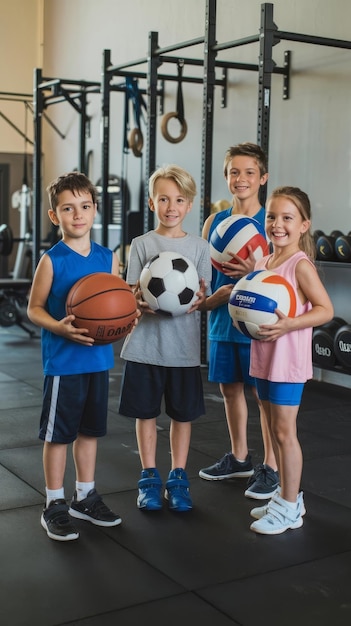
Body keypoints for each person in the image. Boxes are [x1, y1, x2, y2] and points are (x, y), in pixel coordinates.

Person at [27, 171, 123, 541]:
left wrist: (123, 320)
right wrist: (60, 328)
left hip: (98, 362)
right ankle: (54, 503)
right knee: (58, 436)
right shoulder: (52, 260)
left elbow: (115, 305)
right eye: (68, 208)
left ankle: (85, 496)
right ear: (55, 216)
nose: (78, 214)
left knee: (89, 432)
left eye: (85, 207)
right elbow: (35, 309)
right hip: (64, 364)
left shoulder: (108, 258)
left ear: (96, 209)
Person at [118, 164, 212, 512]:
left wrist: (201, 299)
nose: (171, 206)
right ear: (151, 202)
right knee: (146, 416)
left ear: (190, 205)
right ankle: (149, 478)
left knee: (181, 417)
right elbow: (130, 294)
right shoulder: (142, 244)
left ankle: (178, 478)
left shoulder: (200, 247)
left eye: (179, 199)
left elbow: (202, 296)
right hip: (145, 348)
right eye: (163, 199)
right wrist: (138, 302)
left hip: (183, 352)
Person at [249, 186, 333, 534]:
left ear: (303, 225)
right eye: (272, 217)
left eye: (287, 218)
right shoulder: (262, 262)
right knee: (271, 430)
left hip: (287, 362)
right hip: (264, 356)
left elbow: (325, 310)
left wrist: (290, 324)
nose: (277, 224)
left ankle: (290, 504)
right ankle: (285, 497)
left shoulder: (300, 265)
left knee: (285, 432)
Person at [199, 142, 279, 500]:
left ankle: (272, 468)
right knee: (230, 390)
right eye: (234, 172)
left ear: (263, 178)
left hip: (259, 324)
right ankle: (240, 458)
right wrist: (208, 300)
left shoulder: (272, 222)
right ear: (226, 176)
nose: (241, 179)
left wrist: (256, 272)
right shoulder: (214, 222)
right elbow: (202, 277)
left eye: (249, 172)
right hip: (221, 319)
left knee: (265, 397)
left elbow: (284, 277)